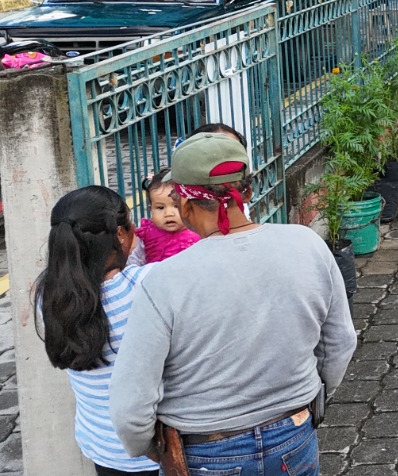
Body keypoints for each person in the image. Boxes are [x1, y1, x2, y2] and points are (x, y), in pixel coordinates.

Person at [109, 131, 357, 474]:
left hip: (206, 451)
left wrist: (151, 450)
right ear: (249, 190)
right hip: (295, 434)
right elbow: (340, 342)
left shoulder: (164, 280)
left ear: (185, 202)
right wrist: (310, 397)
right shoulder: (307, 244)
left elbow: (130, 405)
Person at [35, 186, 161, 476]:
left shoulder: (50, 293)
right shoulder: (145, 284)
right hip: (152, 451)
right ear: (120, 234)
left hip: (101, 445)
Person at [129, 169, 201, 264]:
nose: (168, 213)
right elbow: (136, 260)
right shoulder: (146, 234)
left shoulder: (199, 231)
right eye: (160, 208)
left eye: (176, 206)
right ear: (151, 210)